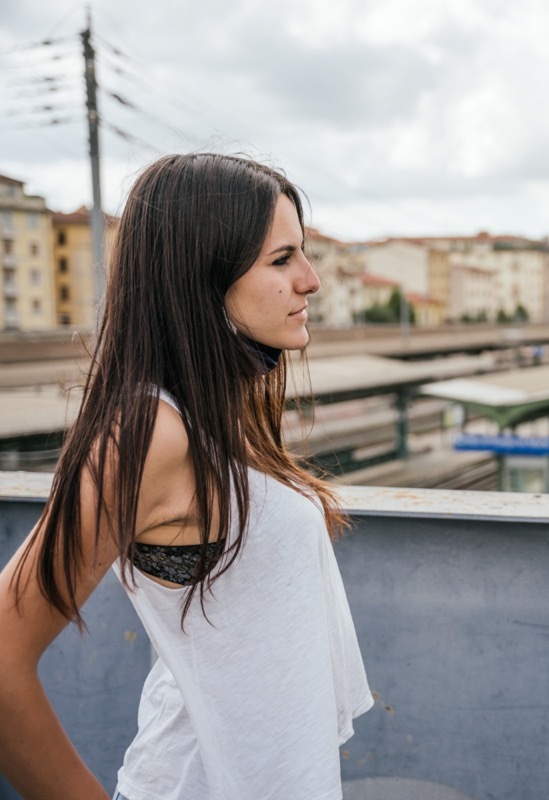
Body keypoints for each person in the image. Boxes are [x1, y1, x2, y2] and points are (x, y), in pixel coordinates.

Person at [0, 153, 373, 799]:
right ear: (203, 276)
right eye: (282, 260)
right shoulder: (149, 433)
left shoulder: (215, 413)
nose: (310, 280)